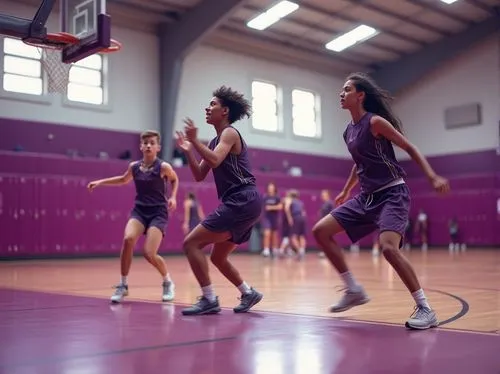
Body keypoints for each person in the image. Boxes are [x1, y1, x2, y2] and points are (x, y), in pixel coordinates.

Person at [312, 72, 450, 330]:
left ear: (360, 95)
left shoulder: (375, 122)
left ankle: (425, 308)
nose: (341, 94)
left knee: (388, 248)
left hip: (392, 193)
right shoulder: (348, 131)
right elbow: (359, 164)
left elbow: (409, 148)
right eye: (341, 90)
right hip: (366, 197)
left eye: (347, 89)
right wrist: (345, 191)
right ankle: (353, 290)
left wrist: (431, 176)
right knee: (320, 231)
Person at [175, 86, 263, 316]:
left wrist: (195, 141)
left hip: (242, 199)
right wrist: (188, 150)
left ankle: (209, 299)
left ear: (224, 111)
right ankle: (248, 292)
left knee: (190, 244)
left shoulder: (229, 133)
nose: (207, 107)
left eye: (212, 104)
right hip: (246, 202)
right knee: (218, 256)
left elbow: (214, 161)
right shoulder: (215, 141)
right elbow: (199, 175)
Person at [87, 130, 179, 304]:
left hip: (158, 212)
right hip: (140, 210)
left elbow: (174, 179)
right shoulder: (134, 167)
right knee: (128, 239)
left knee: (149, 253)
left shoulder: (163, 167)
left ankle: (167, 281)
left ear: (158, 147)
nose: (148, 146)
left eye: (152, 143)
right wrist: (100, 182)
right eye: (145, 143)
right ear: (141, 146)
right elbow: (123, 179)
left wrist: (173, 197)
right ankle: (123, 285)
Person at [261, 182, 282, 258]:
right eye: (269, 187)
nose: (270, 189)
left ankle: (274, 249)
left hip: (274, 218)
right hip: (267, 218)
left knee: (274, 235)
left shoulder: (277, 197)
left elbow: (280, 206)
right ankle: (266, 250)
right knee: (267, 234)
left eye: (272, 187)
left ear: (274, 188)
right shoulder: (265, 197)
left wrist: (271, 207)